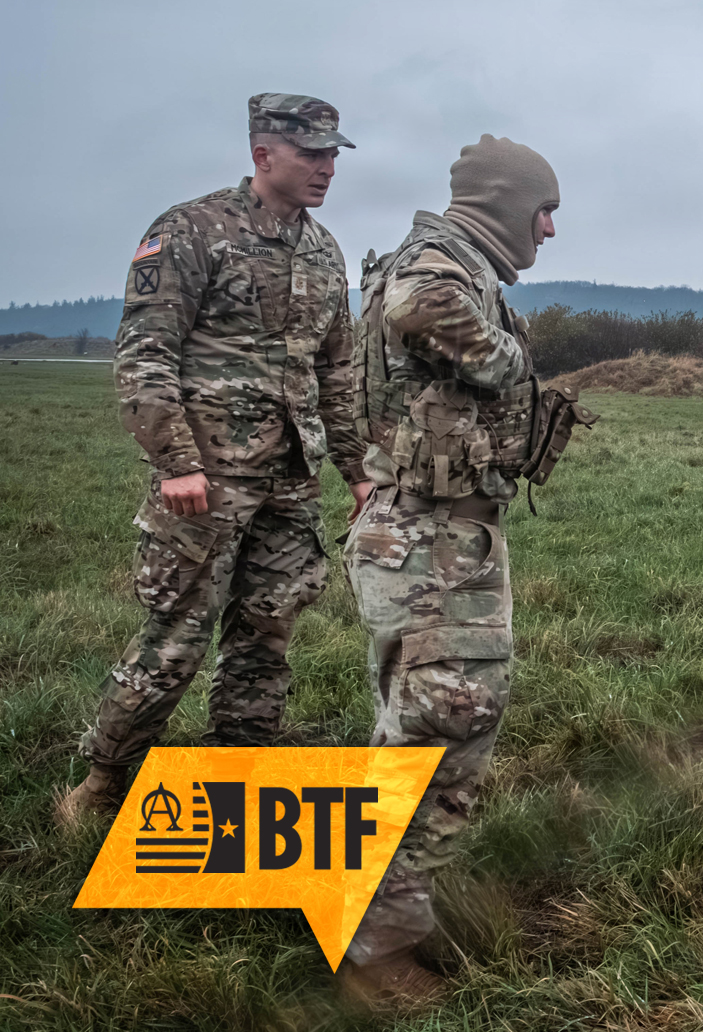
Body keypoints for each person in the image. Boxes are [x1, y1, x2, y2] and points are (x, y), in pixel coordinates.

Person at [57, 94, 369, 830]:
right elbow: (146, 353)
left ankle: (239, 773)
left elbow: (338, 372)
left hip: (290, 482)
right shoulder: (191, 230)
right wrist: (175, 462)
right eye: (311, 154)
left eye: (333, 155)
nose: (326, 168)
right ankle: (103, 783)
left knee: (269, 628)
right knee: (178, 635)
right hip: (206, 480)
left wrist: (357, 469)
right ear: (263, 154)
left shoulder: (324, 251)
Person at [337, 135, 583, 1010]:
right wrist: (506, 359)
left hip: (452, 534)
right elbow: (415, 303)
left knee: (437, 720)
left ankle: (385, 910)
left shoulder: (466, 263)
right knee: (438, 722)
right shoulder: (439, 261)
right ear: (502, 203)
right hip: (426, 540)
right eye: (542, 210)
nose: (551, 228)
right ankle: (375, 951)